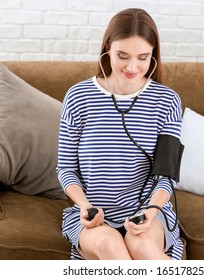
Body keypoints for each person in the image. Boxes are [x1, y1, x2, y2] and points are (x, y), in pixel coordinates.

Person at [57, 8, 184, 260]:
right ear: (107, 48)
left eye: (143, 57)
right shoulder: (78, 97)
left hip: (147, 213)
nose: (132, 67)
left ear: (153, 56)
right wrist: (84, 205)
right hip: (93, 217)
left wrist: (152, 210)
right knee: (110, 245)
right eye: (122, 56)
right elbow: (66, 169)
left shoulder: (167, 101)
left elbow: (166, 175)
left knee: (141, 246)